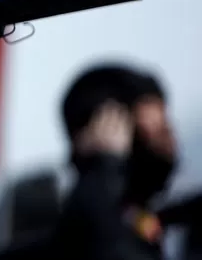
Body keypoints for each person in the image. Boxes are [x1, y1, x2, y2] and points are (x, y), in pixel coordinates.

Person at [52, 63, 178, 260]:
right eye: (156, 125)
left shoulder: (138, 216)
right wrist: (106, 163)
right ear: (108, 125)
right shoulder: (92, 217)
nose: (169, 134)